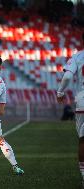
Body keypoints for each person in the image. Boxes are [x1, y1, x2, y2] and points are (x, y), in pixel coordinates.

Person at [57, 33, 84, 187]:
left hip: (82, 102)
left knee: (83, 139)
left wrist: (60, 92)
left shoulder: (78, 57)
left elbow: (67, 77)